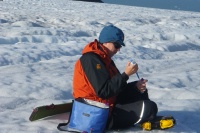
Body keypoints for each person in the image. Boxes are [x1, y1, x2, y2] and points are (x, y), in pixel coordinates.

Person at [72, 25, 173, 130]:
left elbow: (116, 88)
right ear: (105, 42)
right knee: (148, 107)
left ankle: (147, 119)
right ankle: (147, 119)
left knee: (140, 94)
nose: (118, 49)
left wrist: (135, 87)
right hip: (95, 114)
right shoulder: (90, 60)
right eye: (116, 45)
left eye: (120, 46)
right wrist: (125, 75)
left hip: (108, 105)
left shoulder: (106, 60)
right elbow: (104, 92)